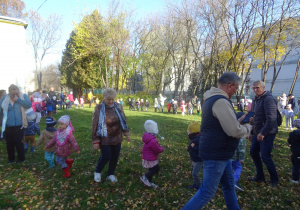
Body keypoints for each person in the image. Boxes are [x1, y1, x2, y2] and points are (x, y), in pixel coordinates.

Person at [182, 72, 251, 210]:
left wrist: (239, 122)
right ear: (230, 85)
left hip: (220, 152)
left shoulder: (211, 98)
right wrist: (249, 128)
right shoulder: (221, 101)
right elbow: (234, 131)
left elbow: (220, 125)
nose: (236, 91)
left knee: (228, 185)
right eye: (236, 88)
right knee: (207, 191)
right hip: (217, 153)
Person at [92, 88, 130, 183]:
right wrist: (95, 140)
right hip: (105, 136)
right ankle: (97, 171)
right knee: (106, 156)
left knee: (115, 156)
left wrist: (126, 132)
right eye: (109, 99)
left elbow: (123, 120)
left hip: (117, 136)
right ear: (104, 98)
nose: (111, 101)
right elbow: (95, 124)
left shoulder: (118, 106)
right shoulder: (99, 108)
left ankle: (111, 174)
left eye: (112, 99)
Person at [249, 80, 279, 187]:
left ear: (263, 87)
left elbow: (271, 120)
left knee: (265, 156)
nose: (255, 90)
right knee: (253, 152)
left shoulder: (268, 99)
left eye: (257, 87)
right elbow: (254, 117)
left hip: (268, 132)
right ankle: (260, 176)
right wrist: (251, 132)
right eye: (253, 88)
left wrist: (262, 133)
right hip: (257, 132)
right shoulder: (256, 100)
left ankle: (274, 179)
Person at [0, 84, 32, 163]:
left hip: (20, 124)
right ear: (9, 92)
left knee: (18, 141)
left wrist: (18, 99)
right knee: (9, 143)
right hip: (8, 125)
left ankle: (21, 158)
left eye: (16, 93)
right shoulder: (5, 98)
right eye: (12, 94)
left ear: (18, 91)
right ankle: (11, 159)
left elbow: (28, 104)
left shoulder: (23, 96)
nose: (14, 95)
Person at [140, 120, 164, 188]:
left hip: (148, 157)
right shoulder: (153, 140)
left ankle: (149, 181)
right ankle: (145, 177)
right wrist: (161, 148)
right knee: (156, 169)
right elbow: (157, 150)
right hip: (151, 158)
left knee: (151, 169)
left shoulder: (148, 136)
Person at [232, 112, 247, 192]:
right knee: (238, 167)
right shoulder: (242, 134)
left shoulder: (231, 130)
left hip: (229, 155)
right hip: (236, 156)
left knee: (229, 167)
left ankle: (227, 179)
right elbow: (241, 148)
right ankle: (234, 180)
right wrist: (242, 158)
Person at [186, 121, 202, 190]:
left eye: (188, 130)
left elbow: (200, 149)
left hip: (199, 160)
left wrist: (193, 147)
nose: (187, 131)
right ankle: (195, 184)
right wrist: (188, 148)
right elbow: (192, 148)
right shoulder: (192, 137)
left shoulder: (198, 139)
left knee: (195, 173)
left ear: (192, 131)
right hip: (194, 158)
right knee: (193, 172)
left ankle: (199, 186)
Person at [287, 119, 300, 184]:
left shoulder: (292, 134)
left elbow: (289, 141)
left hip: (295, 152)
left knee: (295, 166)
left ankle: (295, 179)